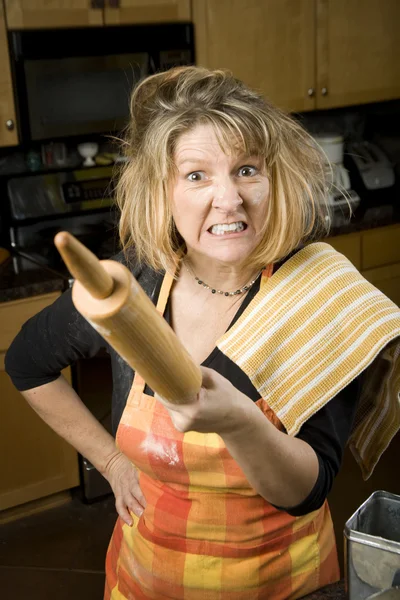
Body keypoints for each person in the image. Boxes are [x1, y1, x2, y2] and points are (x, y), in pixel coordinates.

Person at [5, 66, 400, 600]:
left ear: (274, 180)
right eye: (196, 175)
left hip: (282, 581)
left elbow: (306, 490)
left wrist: (239, 423)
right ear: (163, 192)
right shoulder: (137, 283)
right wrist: (112, 462)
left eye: (247, 170)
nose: (229, 199)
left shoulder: (323, 296)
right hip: (148, 575)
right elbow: (28, 363)